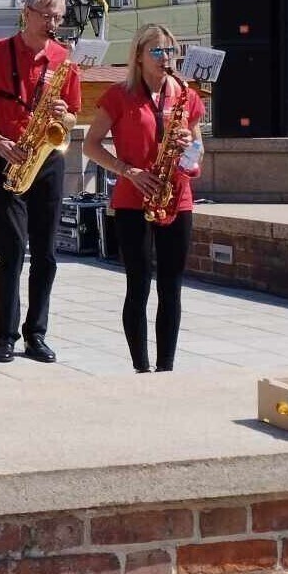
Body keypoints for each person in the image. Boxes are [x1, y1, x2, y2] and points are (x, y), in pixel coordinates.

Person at [0, 0, 81, 365]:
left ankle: (36, 334)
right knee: (10, 249)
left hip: (46, 160)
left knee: (46, 253)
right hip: (5, 158)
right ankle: (5, 335)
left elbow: (74, 117)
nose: (52, 23)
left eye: (58, 17)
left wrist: (63, 116)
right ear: (26, 13)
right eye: (46, 15)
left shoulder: (64, 59)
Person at [83, 24, 204, 373]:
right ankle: (140, 366)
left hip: (176, 196)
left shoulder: (186, 95)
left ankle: (165, 367)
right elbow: (91, 145)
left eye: (171, 51)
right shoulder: (119, 95)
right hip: (133, 200)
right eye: (157, 51)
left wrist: (188, 148)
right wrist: (128, 171)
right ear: (138, 54)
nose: (166, 58)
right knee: (138, 285)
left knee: (172, 286)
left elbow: (199, 151)